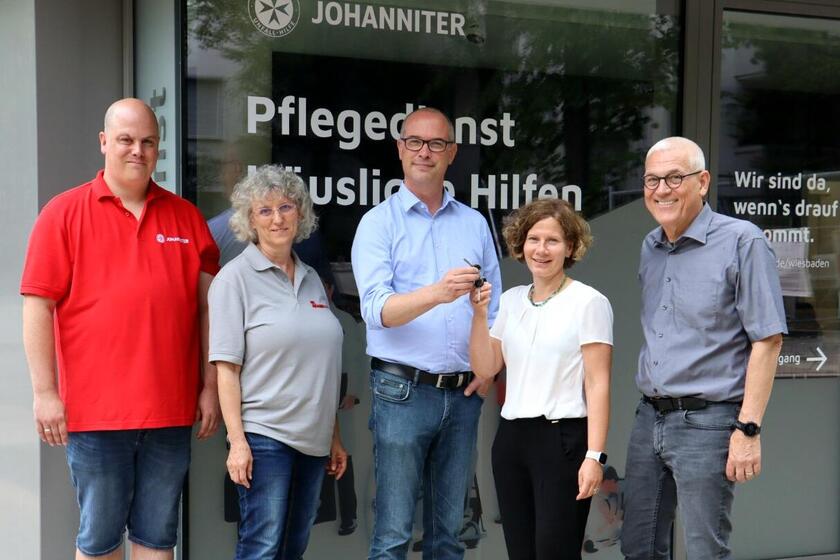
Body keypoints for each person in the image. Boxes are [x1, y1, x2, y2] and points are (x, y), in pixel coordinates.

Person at [20, 98, 221, 560]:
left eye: (148, 142)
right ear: (104, 142)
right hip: (96, 414)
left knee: (157, 539)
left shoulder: (186, 217)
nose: (138, 150)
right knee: (100, 541)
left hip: (170, 411)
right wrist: (45, 392)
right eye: (127, 140)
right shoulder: (63, 213)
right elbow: (36, 306)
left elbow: (210, 310)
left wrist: (209, 385)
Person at [621, 137, 786, 559]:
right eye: (652, 180)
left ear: (703, 182)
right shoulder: (650, 246)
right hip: (649, 418)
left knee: (704, 551)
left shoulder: (742, 241)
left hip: (708, 423)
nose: (662, 189)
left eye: (675, 177)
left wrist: (748, 429)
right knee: (638, 547)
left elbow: (767, 341)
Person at [351, 107, 502, 560]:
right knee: (394, 535)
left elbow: (495, 309)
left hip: (462, 395)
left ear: (451, 153)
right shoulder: (378, 223)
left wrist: (490, 370)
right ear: (399, 149)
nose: (425, 152)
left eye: (437, 144)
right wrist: (437, 293)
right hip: (402, 390)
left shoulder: (474, 223)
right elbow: (376, 310)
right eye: (415, 142)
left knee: (449, 537)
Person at [209, 164, 348, 559]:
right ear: (249, 220)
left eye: (286, 207)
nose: (277, 218)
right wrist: (237, 443)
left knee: (293, 548)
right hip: (264, 437)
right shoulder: (233, 280)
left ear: (300, 214)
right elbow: (227, 369)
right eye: (264, 210)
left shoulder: (311, 279)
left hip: (314, 441)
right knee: (262, 547)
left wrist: (334, 435)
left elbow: (319, 368)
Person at [469, 198, 613, 560]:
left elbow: (598, 384)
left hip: (562, 442)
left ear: (570, 247)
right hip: (512, 441)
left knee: (555, 552)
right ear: (520, 244)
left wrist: (594, 456)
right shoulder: (511, 301)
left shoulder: (589, 303)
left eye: (553, 241)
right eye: (534, 239)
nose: (541, 249)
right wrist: (479, 314)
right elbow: (486, 369)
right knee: (521, 552)